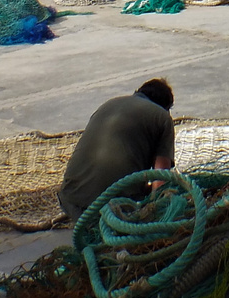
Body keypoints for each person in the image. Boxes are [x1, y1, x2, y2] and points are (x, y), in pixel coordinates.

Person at [58, 78, 176, 226]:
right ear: (166, 107)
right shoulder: (162, 117)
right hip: (113, 208)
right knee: (170, 190)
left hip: (71, 200)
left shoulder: (108, 104)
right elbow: (160, 178)